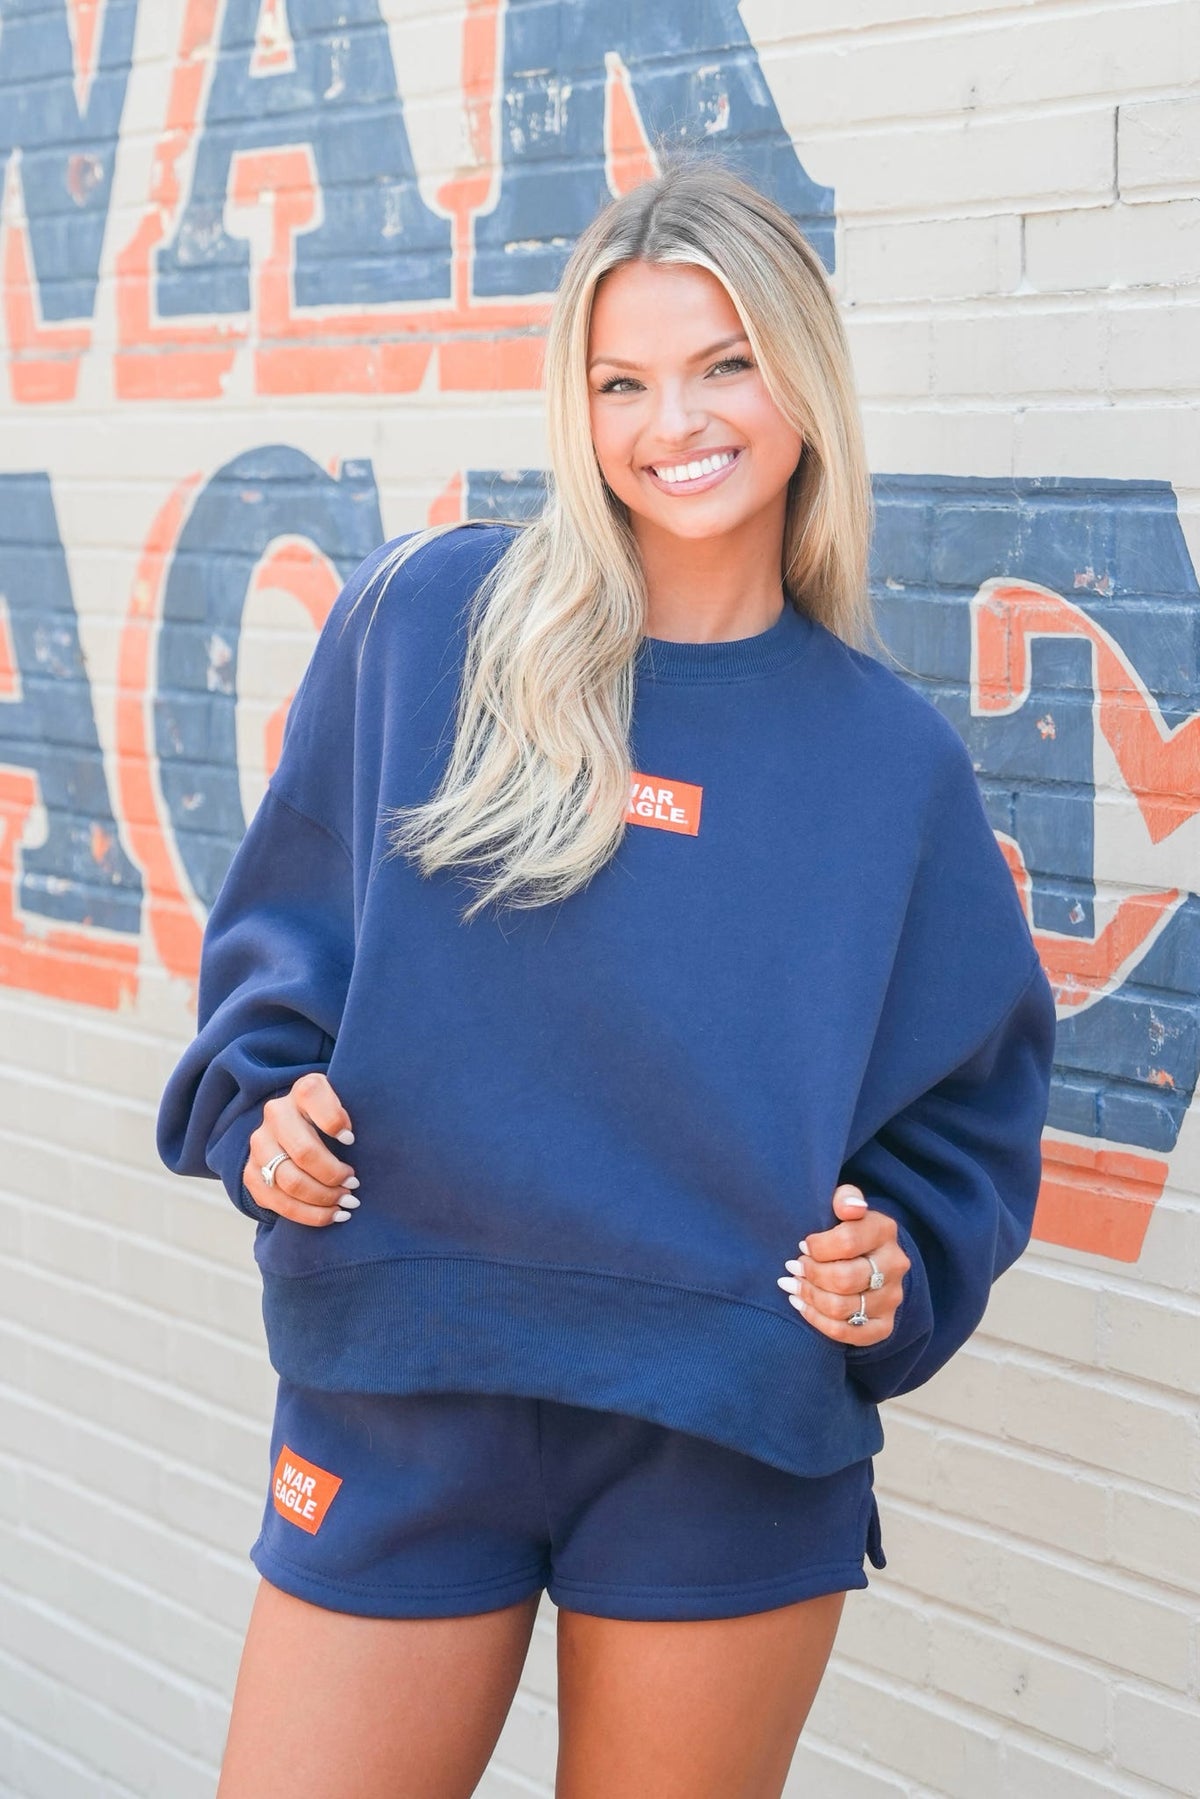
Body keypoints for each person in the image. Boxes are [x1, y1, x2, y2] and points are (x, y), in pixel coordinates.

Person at [157, 151, 1056, 1799]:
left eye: (724, 365)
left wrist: (901, 1261)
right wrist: (262, 1111)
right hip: (402, 1378)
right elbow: (286, 941)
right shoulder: (429, 622)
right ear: (576, 407)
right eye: (621, 380)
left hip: (723, 1425)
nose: (673, 422)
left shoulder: (888, 763)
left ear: (803, 380)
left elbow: (964, 1115)